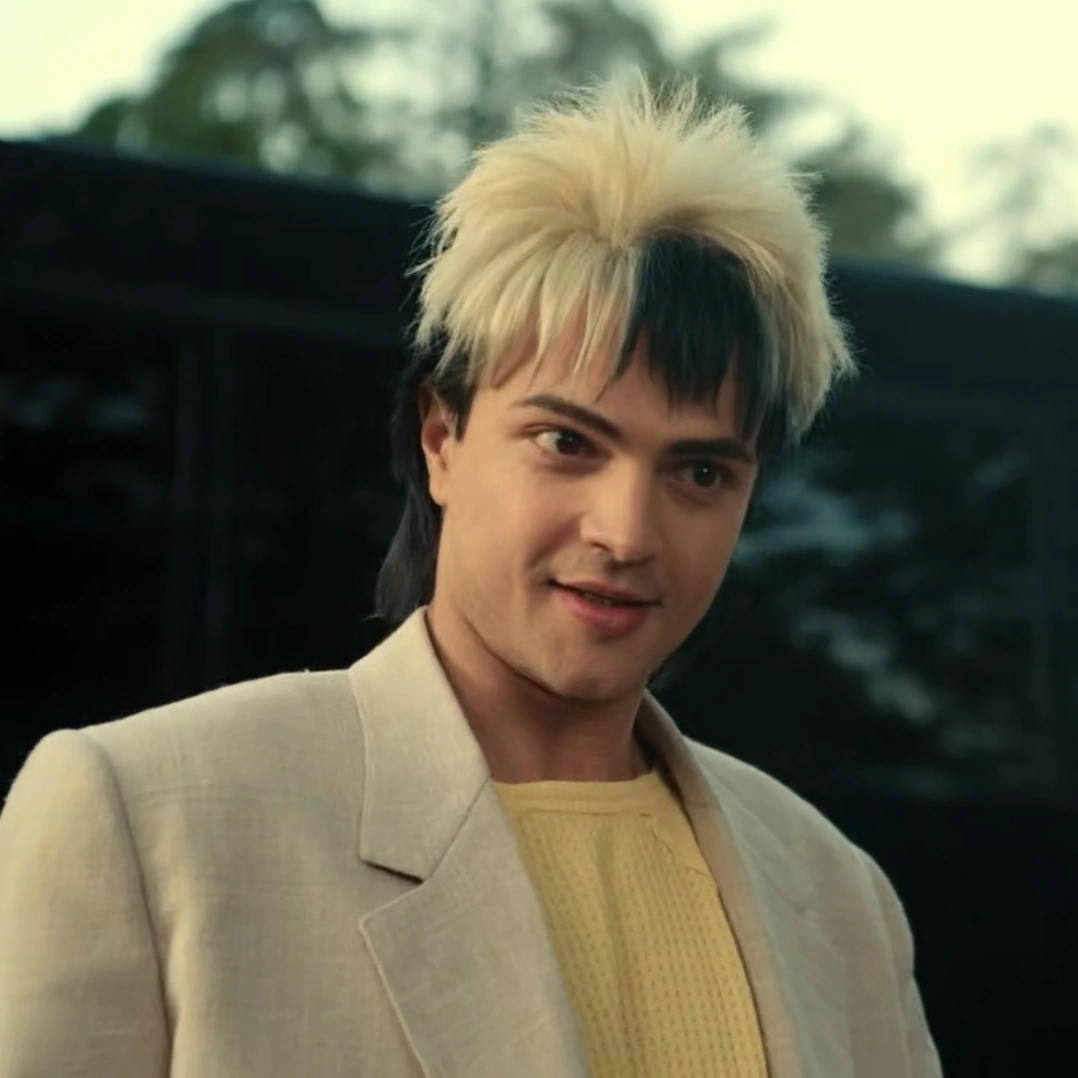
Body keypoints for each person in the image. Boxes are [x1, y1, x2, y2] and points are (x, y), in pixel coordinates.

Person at [0, 70, 942, 1078]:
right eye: (566, 442)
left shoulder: (839, 899)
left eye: (700, 472)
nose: (627, 531)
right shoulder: (149, 821)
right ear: (441, 437)